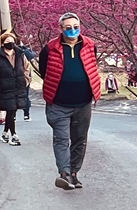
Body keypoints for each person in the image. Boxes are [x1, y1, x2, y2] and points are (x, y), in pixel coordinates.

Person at [39, 13, 101, 191]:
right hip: (59, 104)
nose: (72, 30)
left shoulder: (90, 45)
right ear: (60, 29)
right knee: (61, 139)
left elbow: (91, 67)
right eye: (68, 27)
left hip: (83, 103)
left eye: (75, 26)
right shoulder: (50, 48)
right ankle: (64, 174)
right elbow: (45, 72)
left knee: (79, 140)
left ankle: (74, 172)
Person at [0, 31, 29, 146]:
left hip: (18, 86)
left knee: (12, 111)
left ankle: (5, 133)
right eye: (8, 41)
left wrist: (26, 80)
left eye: (12, 41)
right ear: (3, 43)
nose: (11, 43)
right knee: (10, 111)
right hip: (4, 87)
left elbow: (26, 67)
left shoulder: (20, 54)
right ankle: (14, 135)